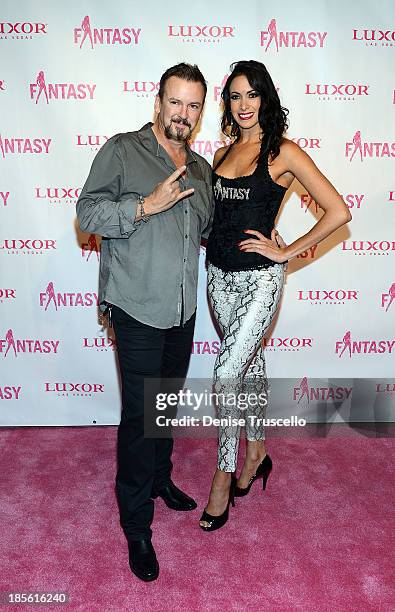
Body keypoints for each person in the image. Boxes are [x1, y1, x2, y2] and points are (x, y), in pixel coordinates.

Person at [199, 60, 352, 531]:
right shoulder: (221, 156)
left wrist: (285, 251)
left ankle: (224, 474)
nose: (243, 105)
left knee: (226, 371)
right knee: (250, 368)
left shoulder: (282, 152)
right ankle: (258, 452)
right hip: (218, 278)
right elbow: (215, 220)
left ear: (266, 99)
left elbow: (337, 210)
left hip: (261, 278)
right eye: (235, 96)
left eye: (252, 95)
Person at [76, 63, 213, 581]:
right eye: (175, 102)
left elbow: (210, 231)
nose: (183, 113)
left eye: (193, 105)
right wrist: (143, 205)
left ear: (202, 112)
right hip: (135, 307)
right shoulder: (121, 150)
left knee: (165, 403)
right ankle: (136, 524)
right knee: (139, 418)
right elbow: (87, 214)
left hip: (181, 310)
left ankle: (160, 478)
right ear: (157, 103)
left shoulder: (200, 169)